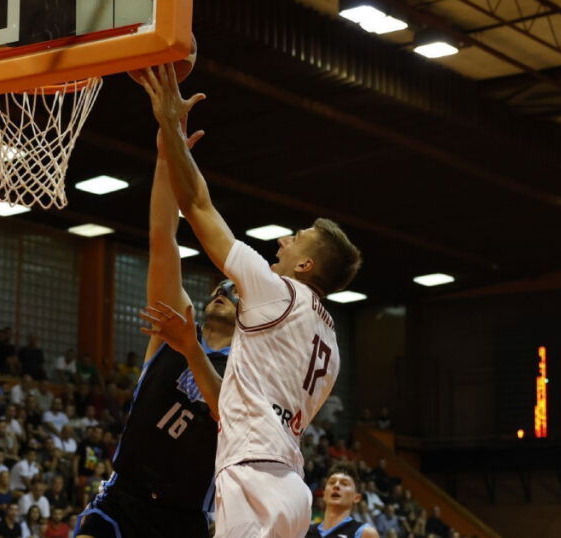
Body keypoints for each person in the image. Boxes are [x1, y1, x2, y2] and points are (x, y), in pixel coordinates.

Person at [140, 64, 362, 537]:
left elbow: (198, 207)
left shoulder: (277, 292)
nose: (283, 240)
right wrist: (195, 352)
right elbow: (237, 402)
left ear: (306, 267)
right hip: (291, 488)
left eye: (296, 238)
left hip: (254, 475)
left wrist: (168, 127)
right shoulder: (332, 343)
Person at [73, 106, 235, 538]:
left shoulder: (250, 364)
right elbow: (163, 239)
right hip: (124, 498)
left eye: (234, 291)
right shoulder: (174, 324)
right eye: (219, 288)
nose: (222, 294)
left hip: (184, 517)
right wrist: (167, 156)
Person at [306, 464, 378, 538]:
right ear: (324, 494)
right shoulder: (306, 531)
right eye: (332, 482)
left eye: (344, 484)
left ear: (356, 498)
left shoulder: (365, 533)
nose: (336, 485)